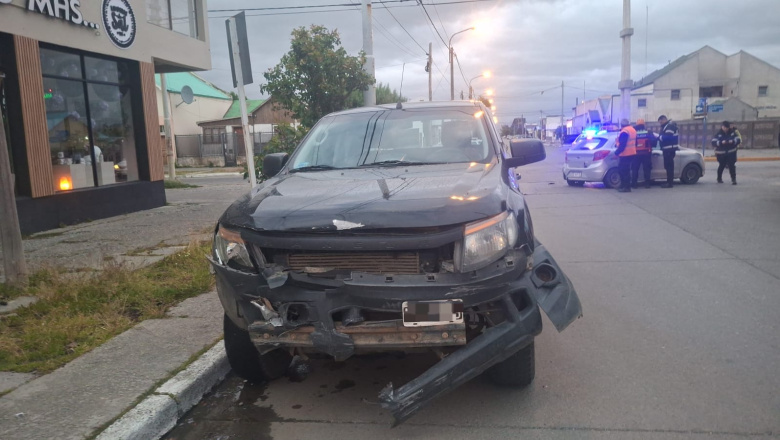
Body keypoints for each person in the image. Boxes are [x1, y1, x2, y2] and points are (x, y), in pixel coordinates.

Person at [614, 118, 637, 192]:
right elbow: (635, 142)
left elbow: (622, 144)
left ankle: (625, 187)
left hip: (625, 154)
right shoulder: (632, 130)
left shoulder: (624, 131)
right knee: (626, 170)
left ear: (622, 125)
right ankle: (625, 186)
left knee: (622, 170)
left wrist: (617, 153)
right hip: (632, 152)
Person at [657, 115, 679, 188]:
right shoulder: (667, 126)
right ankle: (669, 182)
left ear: (664, 120)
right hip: (667, 149)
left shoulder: (669, 126)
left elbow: (668, 137)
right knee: (668, 166)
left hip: (669, 149)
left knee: (669, 166)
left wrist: (659, 137)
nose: (660, 123)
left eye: (661, 121)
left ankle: (670, 183)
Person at [631, 118, 652, 188]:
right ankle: (647, 184)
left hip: (636, 154)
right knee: (647, 169)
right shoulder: (647, 132)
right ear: (644, 125)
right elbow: (653, 141)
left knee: (635, 169)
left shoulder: (634, 133)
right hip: (646, 153)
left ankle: (634, 184)